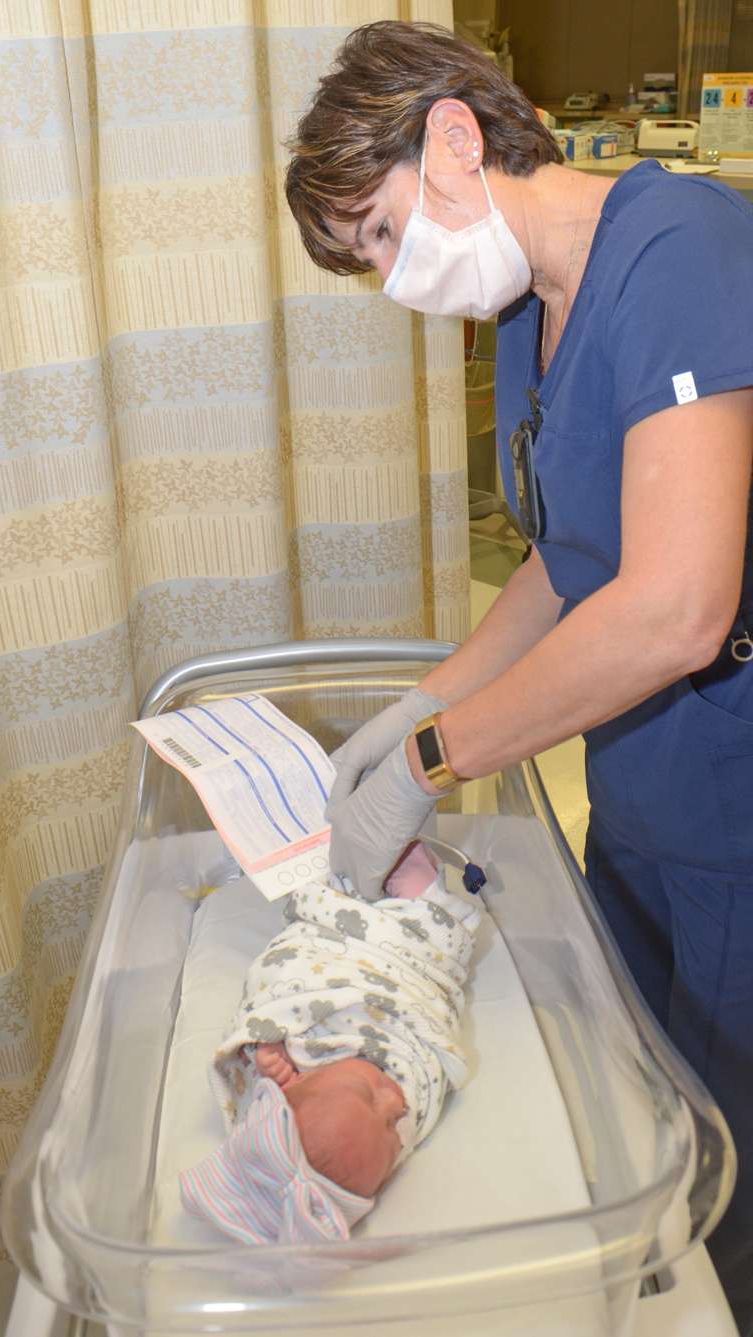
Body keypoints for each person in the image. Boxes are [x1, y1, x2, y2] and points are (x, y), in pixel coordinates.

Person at [284, 19, 753, 1329]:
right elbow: (566, 563)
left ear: (450, 138)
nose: (389, 278)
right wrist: (425, 701)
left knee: (729, 1159)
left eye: (378, 233)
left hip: (734, 781)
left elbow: (674, 606)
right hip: (643, 785)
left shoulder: (683, 253)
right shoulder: (532, 321)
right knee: (633, 1088)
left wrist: (437, 763)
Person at [179, 842, 482, 1243]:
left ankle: (347, 878)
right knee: (443, 932)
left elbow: (274, 999)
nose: (396, 1102)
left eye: (367, 1096)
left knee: (326, 879)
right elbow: (431, 1045)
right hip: (410, 969)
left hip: (329, 949)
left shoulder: (294, 1069)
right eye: (393, 1129)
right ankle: (416, 898)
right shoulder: (401, 1097)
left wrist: (265, 1054)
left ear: (291, 1087)